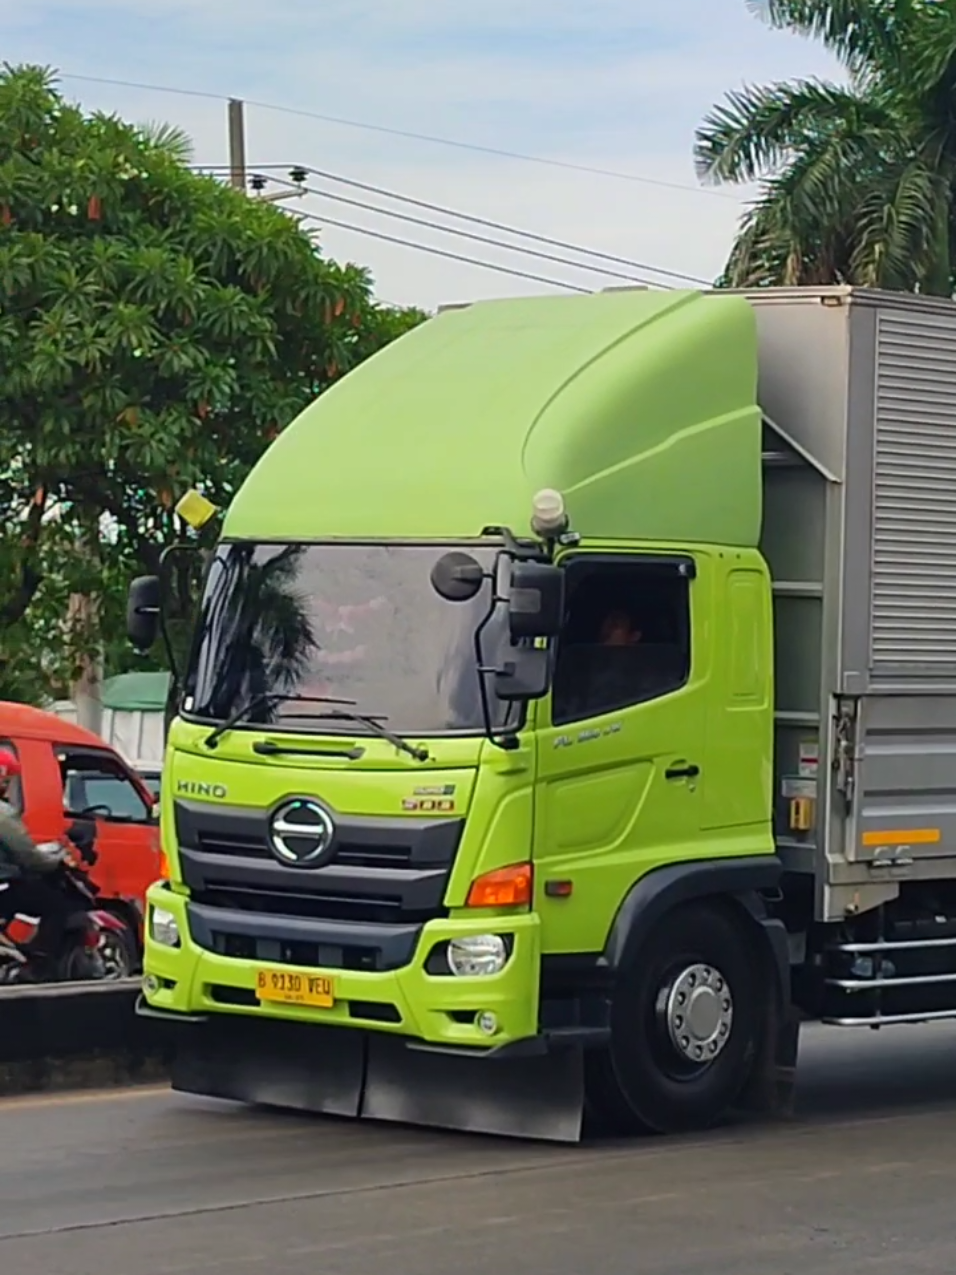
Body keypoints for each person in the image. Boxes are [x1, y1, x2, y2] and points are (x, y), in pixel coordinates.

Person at [0, 749, 70, 958]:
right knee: (57, 905)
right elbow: (28, 856)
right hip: (4, 886)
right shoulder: (4, 815)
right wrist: (56, 861)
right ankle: (41, 962)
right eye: (8, 780)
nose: (8, 786)